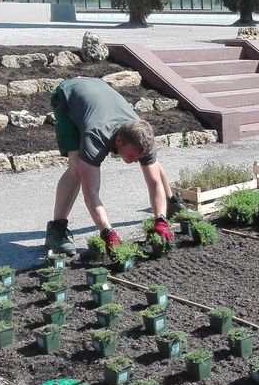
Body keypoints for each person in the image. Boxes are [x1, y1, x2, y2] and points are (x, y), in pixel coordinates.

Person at [45, 77, 183, 256]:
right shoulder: (95, 138)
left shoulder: (142, 136)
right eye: (132, 156)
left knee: (152, 164)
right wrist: (107, 233)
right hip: (68, 96)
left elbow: (154, 181)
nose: (134, 161)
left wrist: (161, 220)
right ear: (118, 141)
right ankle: (56, 229)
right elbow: (91, 194)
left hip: (98, 92)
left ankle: (169, 204)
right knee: (76, 168)